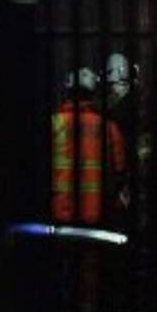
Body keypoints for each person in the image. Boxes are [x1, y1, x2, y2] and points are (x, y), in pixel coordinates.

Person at [52, 67, 128, 226]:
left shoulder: (54, 123)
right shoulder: (108, 127)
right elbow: (120, 169)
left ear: (68, 92)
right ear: (93, 94)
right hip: (98, 215)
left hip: (60, 212)